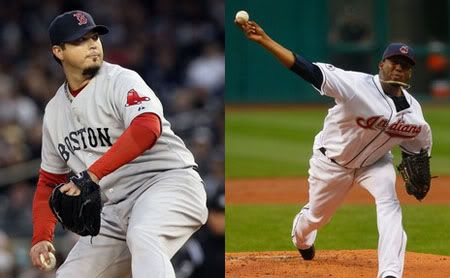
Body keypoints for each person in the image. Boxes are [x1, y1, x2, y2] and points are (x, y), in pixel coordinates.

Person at [236, 19, 432, 278]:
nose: (399, 68)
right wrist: (265, 41)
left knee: (389, 203)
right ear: (381, 64)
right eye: (394, 62)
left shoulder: (414, 114)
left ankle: (390, 273)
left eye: (405, 66)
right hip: (331, 164)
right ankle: (302, 236)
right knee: (317, 218)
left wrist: (419, 164)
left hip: (375, 164)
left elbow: (418, 146)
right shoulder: (355, 85)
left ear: (410, 73)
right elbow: (308, 70)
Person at [29, 10, 208, 277]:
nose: (92, 45)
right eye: (79, 41)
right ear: (58, 51)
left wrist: (91, 174)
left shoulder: (120, 80)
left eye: (94, 37)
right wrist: (42, 237)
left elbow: (148, 127)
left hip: (169, 183)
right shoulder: (54, 112)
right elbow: (48, 182)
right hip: (114, 209)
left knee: (144, 234)